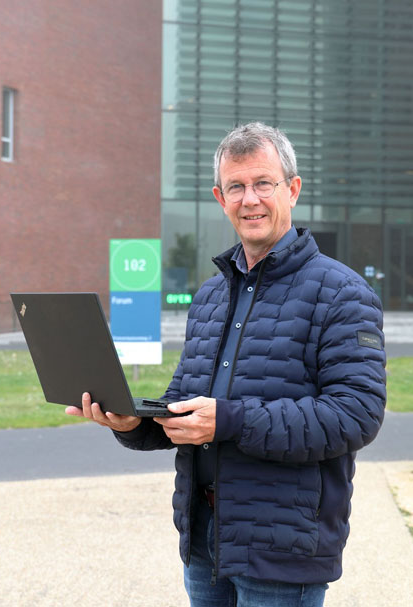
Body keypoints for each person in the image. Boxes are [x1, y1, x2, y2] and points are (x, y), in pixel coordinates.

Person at [66, 122, 386, 607]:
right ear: (220, 197)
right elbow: (186, 404)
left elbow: (356, 414)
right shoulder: (212, 295)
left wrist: (231, 421)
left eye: (263, 183)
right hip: (205, 539)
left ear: (292, 190)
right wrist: (134, 422)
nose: (249, 199)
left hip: (282, 546)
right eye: (236, 186)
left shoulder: (342, 293)